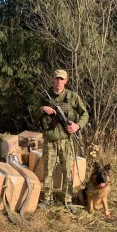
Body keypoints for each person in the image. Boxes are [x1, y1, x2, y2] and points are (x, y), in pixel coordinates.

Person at [33, 69, 89, 213]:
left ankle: (67, 199)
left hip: (66, 140)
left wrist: (77, 126)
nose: (58, 82)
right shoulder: (45, 97)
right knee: (48, 171)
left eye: (61, 79)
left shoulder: (72, 96)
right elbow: (34, 115)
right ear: (52, 79)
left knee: (67, 171)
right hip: (50, 140)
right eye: (56, 78)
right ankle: (47, 198)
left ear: (66, 81)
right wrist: (42, 109)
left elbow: (85, 114)